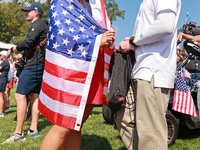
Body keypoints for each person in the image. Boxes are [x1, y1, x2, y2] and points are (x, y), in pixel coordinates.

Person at [38, 0, 115, 149]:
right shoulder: (61, 2)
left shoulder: (94, 3)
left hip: (92, 67)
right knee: (63, 127)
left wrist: (106, 34)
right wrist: (98, 40)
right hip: (72, 71)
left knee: (76, 125)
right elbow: (61, 36)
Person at [115, 0, 181, 150]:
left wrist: (134, 41)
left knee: (151, 134)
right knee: (120, 113)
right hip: (141, 69)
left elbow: (165, 25)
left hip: (154, 70)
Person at [3, 3, 48, 143]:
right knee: (35, 96)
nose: (25, 13)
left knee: (19, 95)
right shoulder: (42, 24)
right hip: (38, 64)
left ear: (36, 12)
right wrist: (23, 55)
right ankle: (33, 130)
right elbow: (35, 45)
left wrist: (13, 48)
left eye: (28, 11)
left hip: (33, 66)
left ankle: (18, 133)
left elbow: (28, 42)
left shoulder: (38, 23)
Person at [0, 51, 10, 117]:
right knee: (2, 96)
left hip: (1, 80)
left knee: (1, 96)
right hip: (4, 80)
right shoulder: (7, 62)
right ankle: (2, 111)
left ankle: (1, 113)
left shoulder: (4, 62)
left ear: (3, 55)